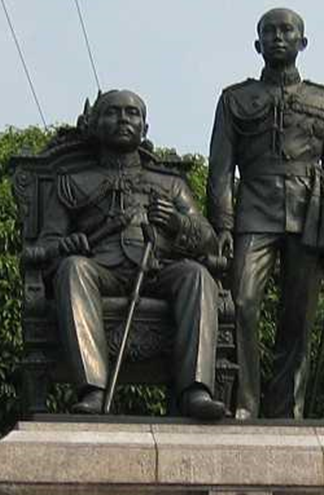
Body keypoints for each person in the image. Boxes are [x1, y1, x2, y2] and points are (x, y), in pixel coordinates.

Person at [37, 89, 226, 420]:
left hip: (157, 268)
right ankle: (93, 389)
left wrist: (177, 223)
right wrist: (67, 245)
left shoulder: (171, 184)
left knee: (197, 275)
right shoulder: (71, 182)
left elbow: (209, 241)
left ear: (145, 128)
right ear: (95, 124)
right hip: (101, 269)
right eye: (113, 112)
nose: (123, 119)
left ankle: (196, 389)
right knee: (72, 269)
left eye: (132, 113)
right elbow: (46, 244)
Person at [207, 7, 324, 419]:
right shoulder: (235, 99)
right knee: (242, 303)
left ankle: (287, 408)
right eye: (269, 31)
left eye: (286, 30)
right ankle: (245, 402)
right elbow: (220, 168)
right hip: (253, 208)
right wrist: (222, 222)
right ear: (257, 44)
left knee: (298, 316)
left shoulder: (323, 100)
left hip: (309, 213)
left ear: (302, 42)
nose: (277, 37)